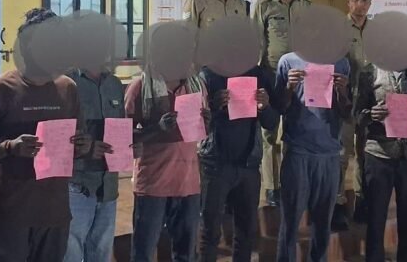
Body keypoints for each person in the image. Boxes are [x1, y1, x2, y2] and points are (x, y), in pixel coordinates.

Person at [0, 9, 95, 262]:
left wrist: (83, 146)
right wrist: (10, 147)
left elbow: (77, 144)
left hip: (56, 214)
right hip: (13, 214)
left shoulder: (68, 88)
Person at [125, 37, 209, 262]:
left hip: (188, 184)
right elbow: (124, 137)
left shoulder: (197, 86)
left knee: (186, 254)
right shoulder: (140, 87)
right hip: (153, 185)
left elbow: (201, 132)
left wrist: (207, 123)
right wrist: (157, 129)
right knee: (142, 253)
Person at [273, 48, 352, 262]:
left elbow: (347, 112)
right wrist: (289, 88)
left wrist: (342, 92)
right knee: (290, 223)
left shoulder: (341, 63)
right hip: (298, 151)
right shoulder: (288, 61)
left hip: (329, 154)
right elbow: (279, 107)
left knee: (323, 225)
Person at [354, 56, 407, 262]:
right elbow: (356, 115)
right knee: (375, 219)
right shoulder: (371, 70)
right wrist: (370, 114)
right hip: (379, 154)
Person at [198, 59, 279, 262]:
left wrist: (265, 106)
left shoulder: (258, 74)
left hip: (248, 164)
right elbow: (195, 124)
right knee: (210, 232)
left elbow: (271, 122)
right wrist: (214, 106)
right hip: (215, 164)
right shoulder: (208, 75)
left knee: (246, 232)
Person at [252, 0, 311, 207]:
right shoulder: (264, 6)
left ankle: (292, 182)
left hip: (299, 78)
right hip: (271, 75)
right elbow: (256, 42)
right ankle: (272, 187)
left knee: (296, 131)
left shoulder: (307, 6)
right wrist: (255, 76)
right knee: (269, 134)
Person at [66, 61, 126, 261]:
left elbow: (122, 127)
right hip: (77, 185)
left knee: (101, 252)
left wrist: (131, 146)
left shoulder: (115, 84)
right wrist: (84, 150)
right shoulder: (66, 83)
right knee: (71, 253)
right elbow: (53, 137)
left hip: (108, 186)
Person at [343, 0, 372, 229]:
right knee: (342, 153)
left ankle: (363, 201)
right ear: (349, 2)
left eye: (366, 0)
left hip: (369, 101)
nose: (361, 4)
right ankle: (338, 203)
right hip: (344, 100)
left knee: (365, 153)